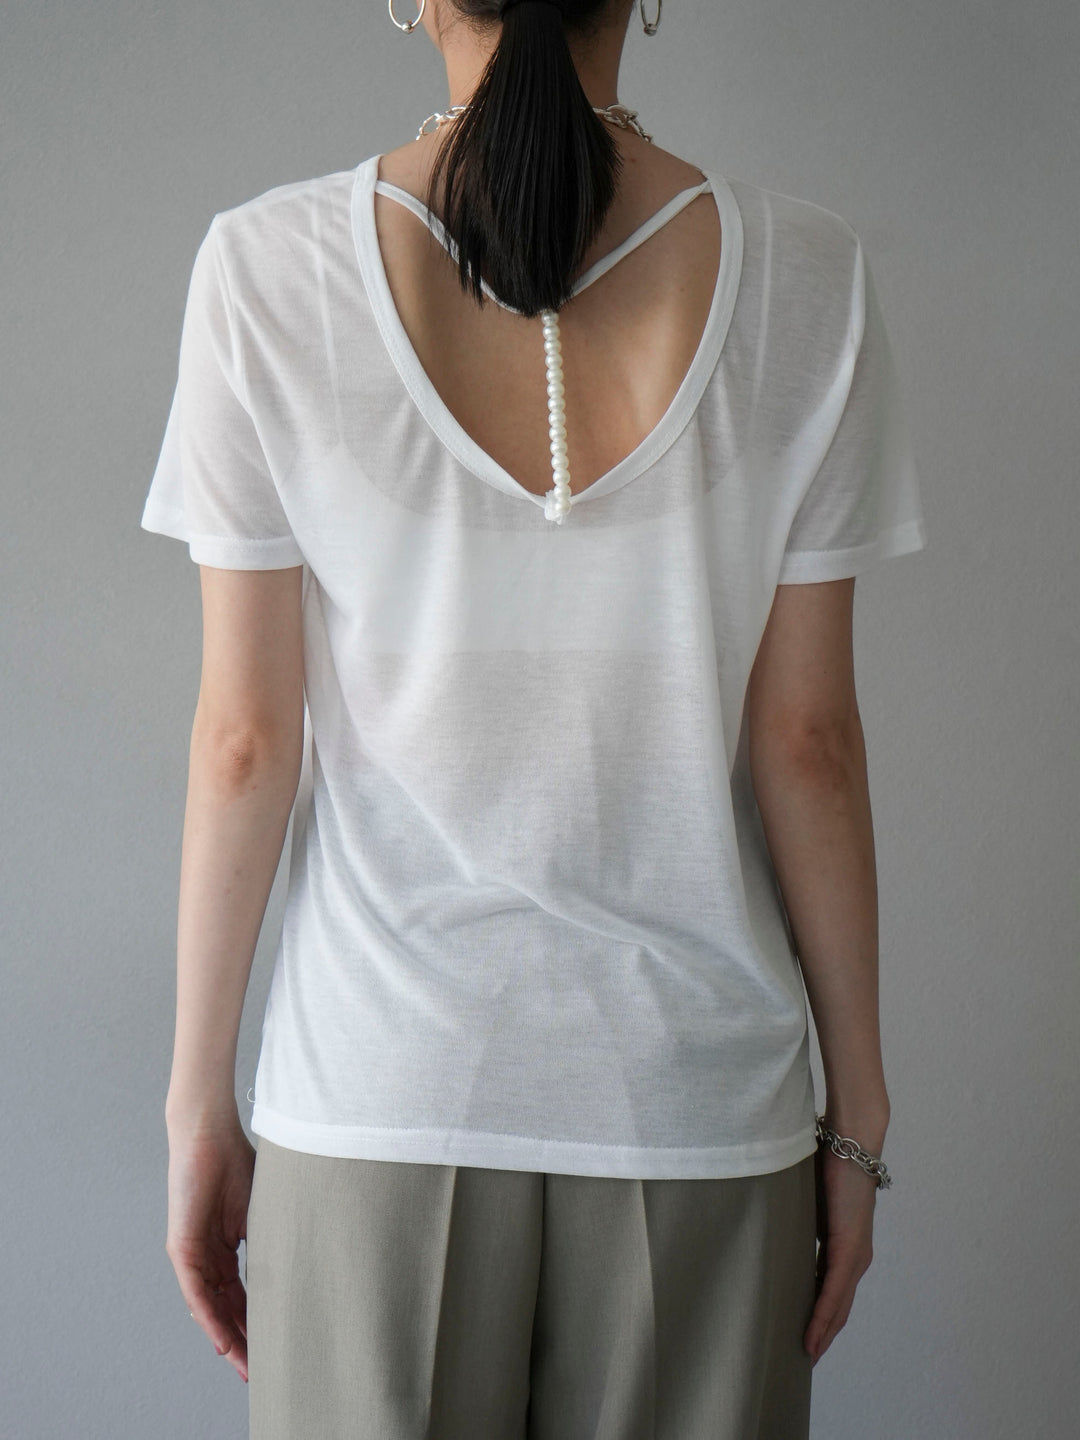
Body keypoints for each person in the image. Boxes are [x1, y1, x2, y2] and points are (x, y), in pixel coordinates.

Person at [143, 0, 924, 1435]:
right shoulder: (807, 274)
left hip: (377, 1102)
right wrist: (857, 1119)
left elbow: (244, 743)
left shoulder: (265, 268)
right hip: (699, 1109)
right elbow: (809, 746)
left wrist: (199, 1105)